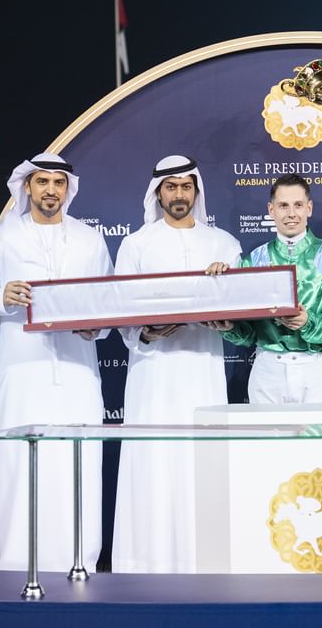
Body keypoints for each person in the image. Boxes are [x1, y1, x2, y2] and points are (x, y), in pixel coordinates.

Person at [0, 152, 112, 571]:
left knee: (77, 460)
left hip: (77, 371)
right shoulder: (3, 238)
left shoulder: (89, 239)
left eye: (58, 183)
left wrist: (97, 328)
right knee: (20, 461)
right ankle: (13, 562)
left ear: (68, 189)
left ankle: (79, 559)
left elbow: (108, 300)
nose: (51, 190)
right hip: (21, 373)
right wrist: (2, 296)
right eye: (42, 182)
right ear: (28, 187)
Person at [112, 155, 241, 574]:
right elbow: (120, 309)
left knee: (200, 461)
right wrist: (146, 334)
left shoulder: (223, 243)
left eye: (186, 186)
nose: (179, 194)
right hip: (153, 374)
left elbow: (242, 307)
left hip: (203, 370)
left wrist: (227, 319)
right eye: (171, 187)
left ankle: (206, 563)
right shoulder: (136, 244)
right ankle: (144, 564)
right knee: (153, 461)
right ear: (158, 193)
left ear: (196, 190)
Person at [211, 173, 322, 404]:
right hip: (266, 368)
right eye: (283, 205)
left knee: (316, 429)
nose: (291, 213)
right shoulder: (253, 261)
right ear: (271, 210)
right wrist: (230, 326)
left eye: (298, 205)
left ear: (309, 208)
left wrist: (308, 322)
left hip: (313, 369)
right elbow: (248, 332)